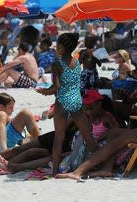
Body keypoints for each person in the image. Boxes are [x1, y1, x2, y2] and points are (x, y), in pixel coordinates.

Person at [36, 33, 98, 175]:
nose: (56, 48)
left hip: (62, 101)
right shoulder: (77, 62)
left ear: (63, 48)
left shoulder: (57, 64)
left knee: (59, 137)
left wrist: (44, 91)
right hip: (76, 100)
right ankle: (101, 161)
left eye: (58, 45)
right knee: (87, 135)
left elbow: (56, 87)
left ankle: (55, 170)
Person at [0, 93, 40, 157]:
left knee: (26, 114)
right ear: (1, 107)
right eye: (10, 108)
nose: (13, 110)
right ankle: (5, 152)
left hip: (0, 142)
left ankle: (40, 142)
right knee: (4, 116)